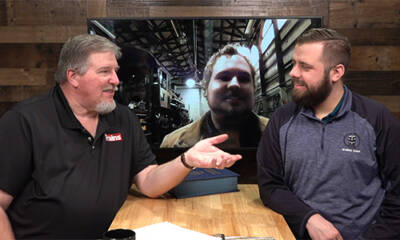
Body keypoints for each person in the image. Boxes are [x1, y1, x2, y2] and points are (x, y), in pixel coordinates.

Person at [0, 34, 242, 239]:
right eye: (105, 71)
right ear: (73, 76)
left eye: (115, 71)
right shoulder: (24, 122)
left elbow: (148, 181)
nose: (116, 81)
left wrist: (187, 160)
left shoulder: (123, 118)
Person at [257, 28, 400, 239]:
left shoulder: (376, 118)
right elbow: (270, 185)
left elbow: (397, 195)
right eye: (294, 64)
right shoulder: (281, 120)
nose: (293, 73)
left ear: (336, 72)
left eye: (305, 66)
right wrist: (309, 218)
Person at [161, 43, 269, 148]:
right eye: (224, 77)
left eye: (244, 79)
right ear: (206, 89)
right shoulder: (171, 143)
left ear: (254, 88)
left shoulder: (280, 136)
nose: (235, 84)